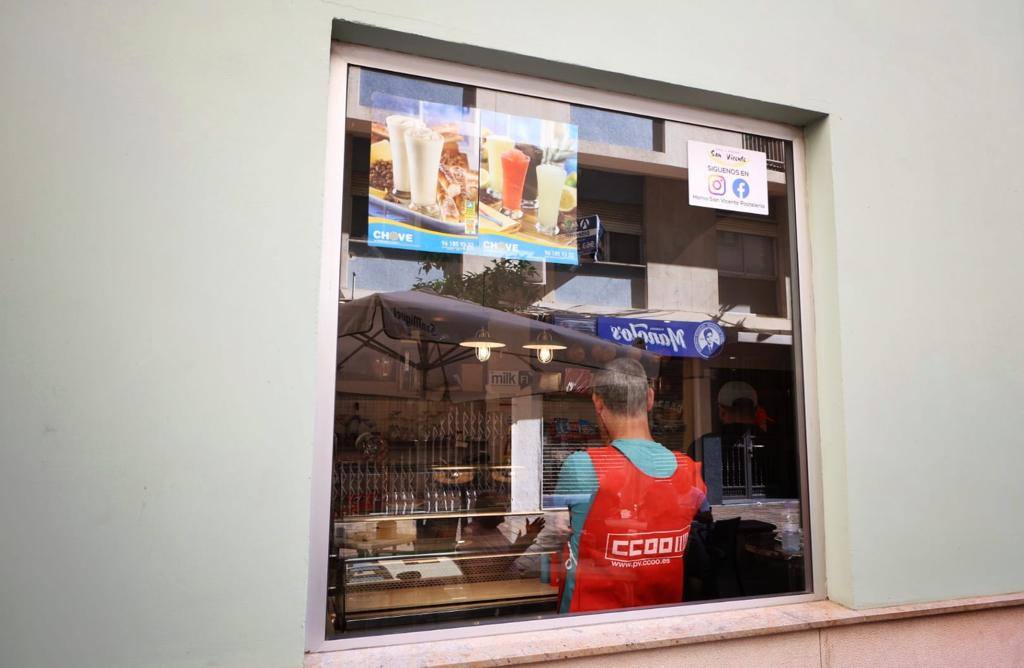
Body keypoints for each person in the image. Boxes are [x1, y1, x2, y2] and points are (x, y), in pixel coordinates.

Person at [519, 358, 707, 613]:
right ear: (650, 398)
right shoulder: (689, 471)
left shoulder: (582, 465)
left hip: (590, 619)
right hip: (664, 619)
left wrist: (516, 565)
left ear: (598, 402)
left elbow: (553, 538)